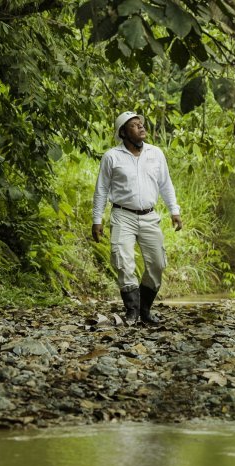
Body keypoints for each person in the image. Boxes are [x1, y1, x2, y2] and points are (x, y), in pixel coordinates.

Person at [91, 111, 182, 325]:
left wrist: (174, 211)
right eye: (134, 125)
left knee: (157, 264)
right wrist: (97, 219)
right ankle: (132, 312)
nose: (141, 127)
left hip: (149, 216)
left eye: (141, 123)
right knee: (123, 261)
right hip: (122, 215)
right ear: (123, 133)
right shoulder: (111, 156)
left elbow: (165, 184)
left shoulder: (155, 153)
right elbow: (101, 190)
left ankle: (145, 310)